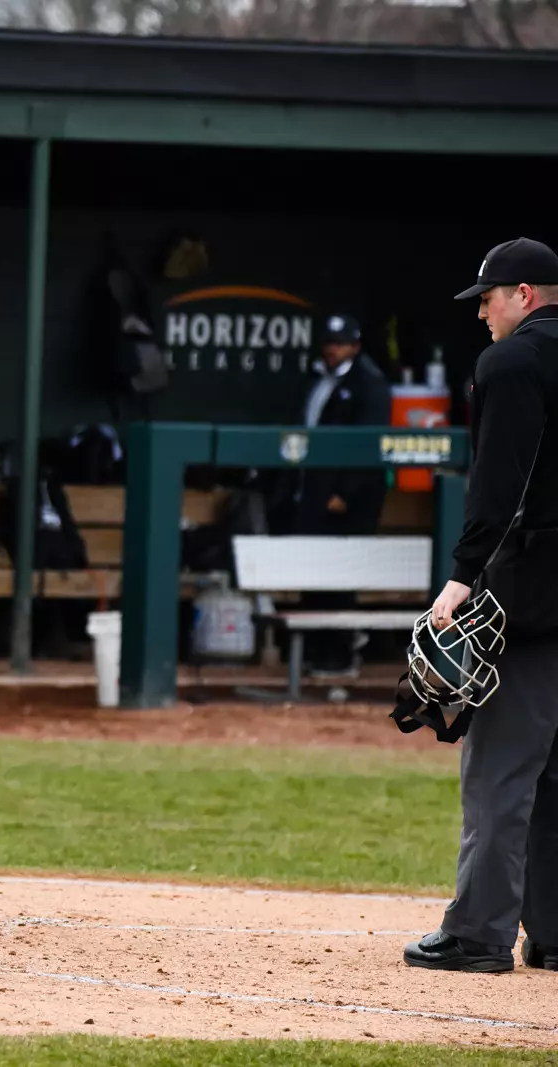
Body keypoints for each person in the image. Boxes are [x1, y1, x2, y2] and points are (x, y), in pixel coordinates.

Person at [404, 238, 558, 974]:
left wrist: (463, 575)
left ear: (524, 294)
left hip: (535, 590)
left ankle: (479, 933)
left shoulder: (513, 360)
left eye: (489, 300)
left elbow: (499, 482)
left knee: (501, 768)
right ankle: (555, 933)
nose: (483, 316)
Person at [293, 313, 391, 677]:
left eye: (340, 343)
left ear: (355, 345)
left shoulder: (370, 383)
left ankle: (340, 654)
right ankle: (318, 653)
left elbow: (370, 446)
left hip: (348, 499)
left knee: (340, 576)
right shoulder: (318, 378)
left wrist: (345, 494)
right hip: (313, 490)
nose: (333, 349)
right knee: (314, 572)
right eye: (329, 343)